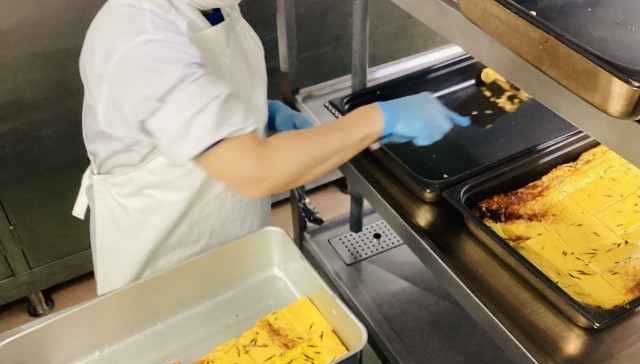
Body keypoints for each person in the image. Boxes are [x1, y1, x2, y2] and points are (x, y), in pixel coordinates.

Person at [73, 0, 470, 295]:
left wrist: (256, 112)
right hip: (162, 266)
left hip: (232, 233)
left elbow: (190, 95)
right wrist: (378, 119)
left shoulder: (210, 7)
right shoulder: (135, 38)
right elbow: (255, 171)